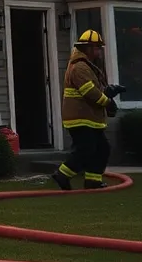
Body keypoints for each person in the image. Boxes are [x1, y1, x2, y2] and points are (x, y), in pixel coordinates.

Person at [51, 29, 125, 190]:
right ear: (88, 48)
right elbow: (89, 91)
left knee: (102, 149)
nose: (99, 51)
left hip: (89, 117)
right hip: (80, 117)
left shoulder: (88, 66)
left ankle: (93, 181)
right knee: (86, 149)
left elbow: (95, 89)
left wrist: (110, 91)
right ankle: (62, 174)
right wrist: (107, 102)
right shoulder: (79, 67)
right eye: (97, 47)